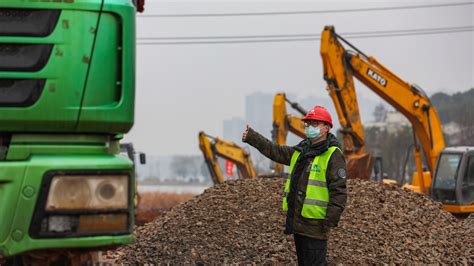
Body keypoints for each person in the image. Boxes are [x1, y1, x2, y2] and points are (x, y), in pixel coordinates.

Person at [242, 105, 347, 265]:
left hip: (316, 226)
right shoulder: (300, 151)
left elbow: (339, 191)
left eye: (314, 124)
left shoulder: (333, 155)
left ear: (326, 128)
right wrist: (253, 137)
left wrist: (329, 222)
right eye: (308, 124)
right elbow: (275, 151)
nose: (309, 128)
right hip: (299, 224)